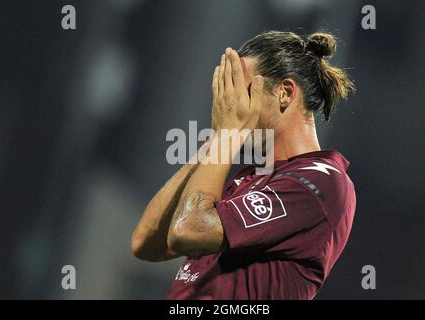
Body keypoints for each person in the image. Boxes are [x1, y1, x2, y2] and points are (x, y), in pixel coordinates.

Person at [131, 30, 356, 300]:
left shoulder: (319, 182)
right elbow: (146, 243)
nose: (232, 105)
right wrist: (217, 138)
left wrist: (227, 133)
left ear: (285, 93)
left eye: (243, 93)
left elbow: (189, 231)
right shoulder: (253, 177)